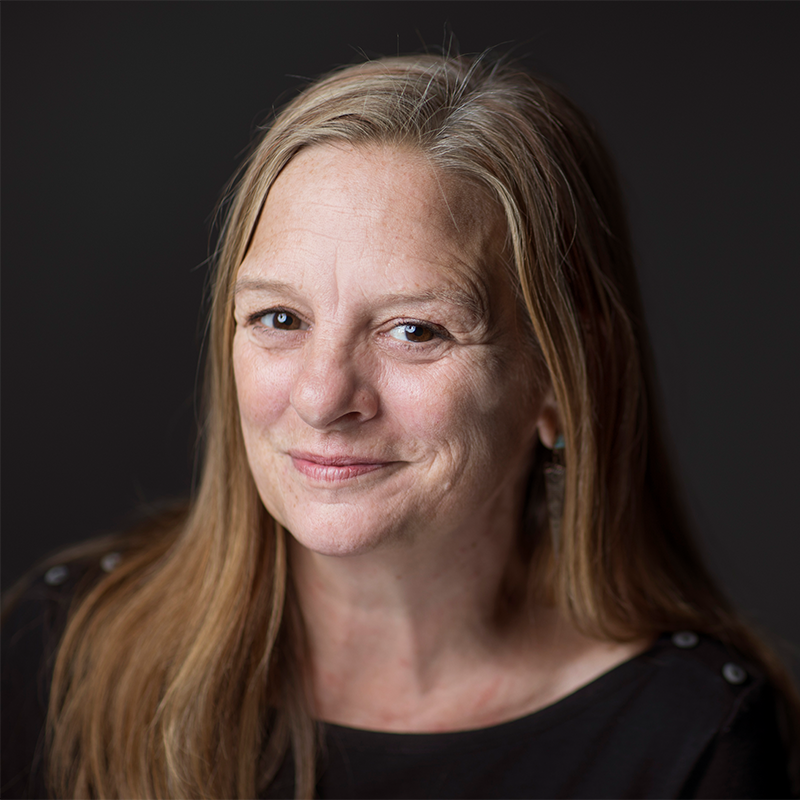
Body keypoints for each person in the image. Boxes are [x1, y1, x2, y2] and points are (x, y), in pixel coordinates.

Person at [2, 53, 797, 799]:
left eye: (416, 331)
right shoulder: (64, 654)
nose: (322, 397)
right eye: (280, 317)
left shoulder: (696, 741)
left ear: (560, 379)